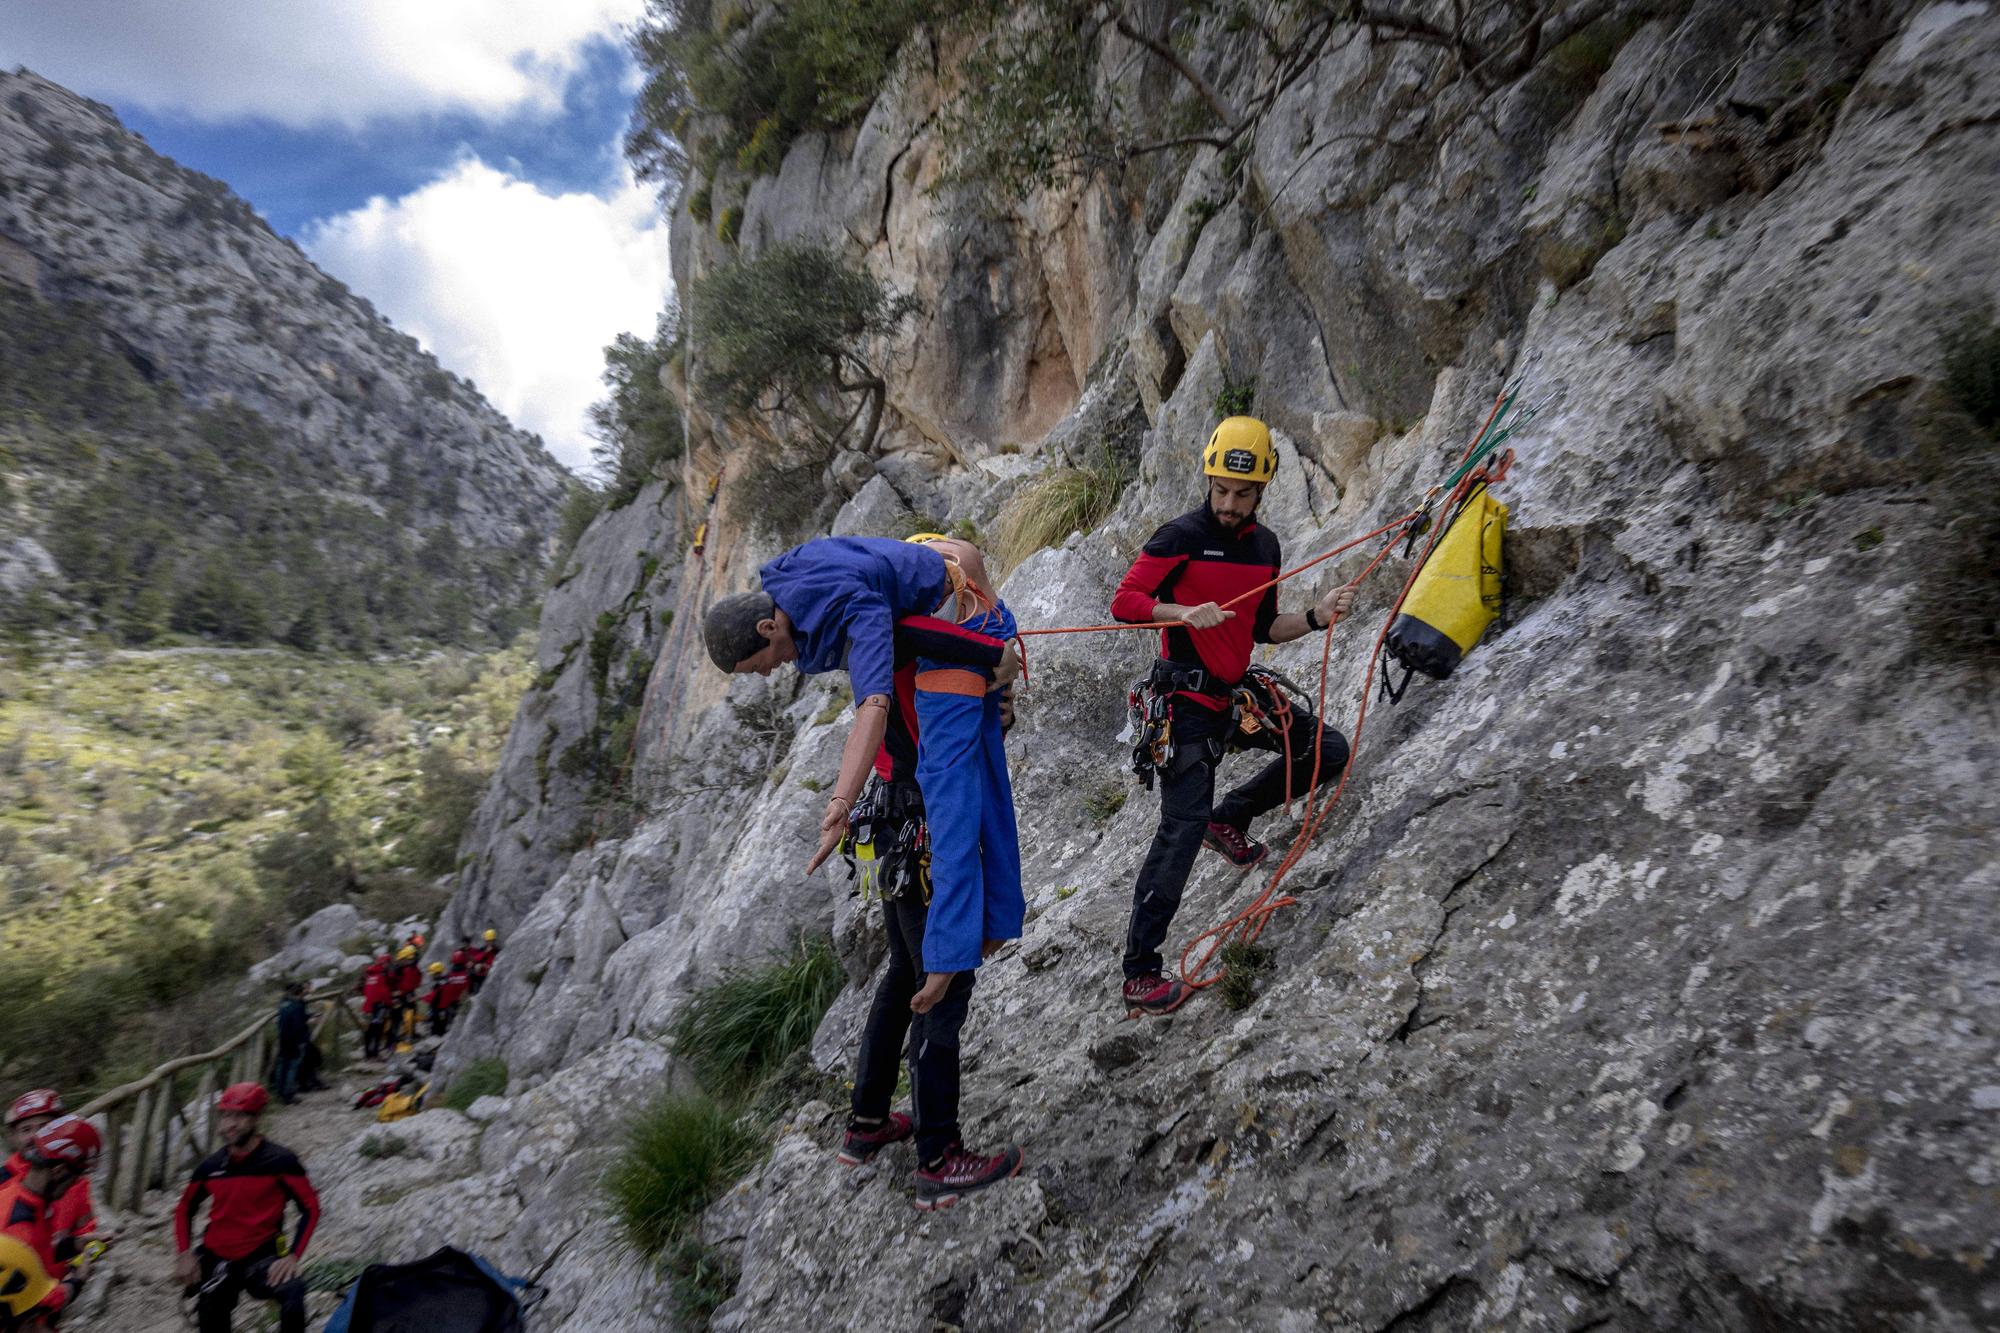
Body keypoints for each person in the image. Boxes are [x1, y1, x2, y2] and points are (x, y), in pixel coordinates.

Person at [703, 533, 1026, 1209]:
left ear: (768, 625)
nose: (767, 673)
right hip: (916, 818)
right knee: (942, 976)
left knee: (907, 970)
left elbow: (949, 679)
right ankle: (938, 1154)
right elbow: (952, 719)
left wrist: (996, 684)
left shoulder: (882, 622)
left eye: (757, 661)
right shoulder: (899, 622)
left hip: (890, 815)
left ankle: (869, 1123)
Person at [1108, 417, 1360, 1017]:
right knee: (1180, 829)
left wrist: (1318, 617)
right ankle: (1139, 972)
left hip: (1236, 696)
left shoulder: (1266, 547)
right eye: (1220, 489)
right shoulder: (1179, 536)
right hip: (1184, 705)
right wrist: (1180, 612)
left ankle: (1234, 816)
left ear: (1261, 490)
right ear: (1210, 479)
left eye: (1241, 494)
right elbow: (1124, 603)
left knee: (1328, 750)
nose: (1227, 503)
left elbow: (1267, 627)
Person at [174, 1083, 319, 1333]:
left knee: (293, 1291)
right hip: (217, 1257)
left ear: (256, 1118)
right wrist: (185, 1254)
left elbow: (311, 1208)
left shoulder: (281, 1161)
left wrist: (293, 1256)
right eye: (225, 1116)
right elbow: (185, 1208)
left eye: (239, 1117)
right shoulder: (210, 1167)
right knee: (210, 1309)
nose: (229, 1124)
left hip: (261, 1257)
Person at [0, 1114, 102, 1329]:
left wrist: (73, 1244)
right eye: (75, 1177)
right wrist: (76, 1281)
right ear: (58, 1171)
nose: (75, 1184)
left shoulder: (22, 1198)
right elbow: (30, 1305)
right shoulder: (18, 1226)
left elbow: (35, 1254)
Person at [0, 1092, 96, 1284]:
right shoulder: (3, 1180)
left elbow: (85, 1228)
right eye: (26, 1129)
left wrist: (82, 1249)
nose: (36, 1137)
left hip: (56, 1282)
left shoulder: (75, 1182)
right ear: (13, 1136)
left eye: (44, 1127)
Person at [271, 984, 310, 1105]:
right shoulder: (296, 1006)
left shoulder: (283, 1004)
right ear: (298, 994)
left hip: (283, 1039)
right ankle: (288, 1095)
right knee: (292, 1068)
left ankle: (280, 1092)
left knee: (282, 1066)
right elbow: (298, 1025)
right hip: (294, 1040)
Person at [359, 956, 392, 1060]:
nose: (388, 965)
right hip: (378, 1007)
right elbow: (384, 992)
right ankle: (375, 1054)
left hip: (367, 1007)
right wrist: (389, 1004)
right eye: (387, 963)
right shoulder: (381, 976)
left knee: (368, 1031)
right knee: (378, 1031)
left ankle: (367, 1054)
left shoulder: (370, 976)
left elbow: (365, 992)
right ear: (383, 963)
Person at [468, 929, 499, 994]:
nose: (490, 942)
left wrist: (486, 966)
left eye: (492, 940)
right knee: (469, 975)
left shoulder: (497, 951)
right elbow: (474, 960)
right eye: (488, 941)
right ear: (486, 941)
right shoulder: (482, 950)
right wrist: (485, 952)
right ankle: (471, 994)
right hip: (481, 974)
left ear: (494, 940)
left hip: (490, 974)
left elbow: (498, 964)